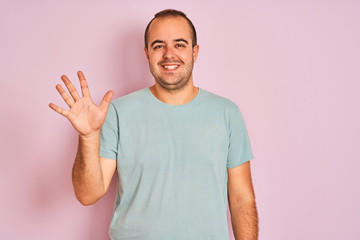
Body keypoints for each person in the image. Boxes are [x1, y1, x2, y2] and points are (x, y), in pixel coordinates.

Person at [49, 9, 258, 240]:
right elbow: (88, 194)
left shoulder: (227, 113)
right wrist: (88, 137)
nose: (169, 54)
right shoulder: (118, 112)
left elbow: (242, 199)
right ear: (147, 53)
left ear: (194, 51)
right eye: (159, 46)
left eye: (179, 44)